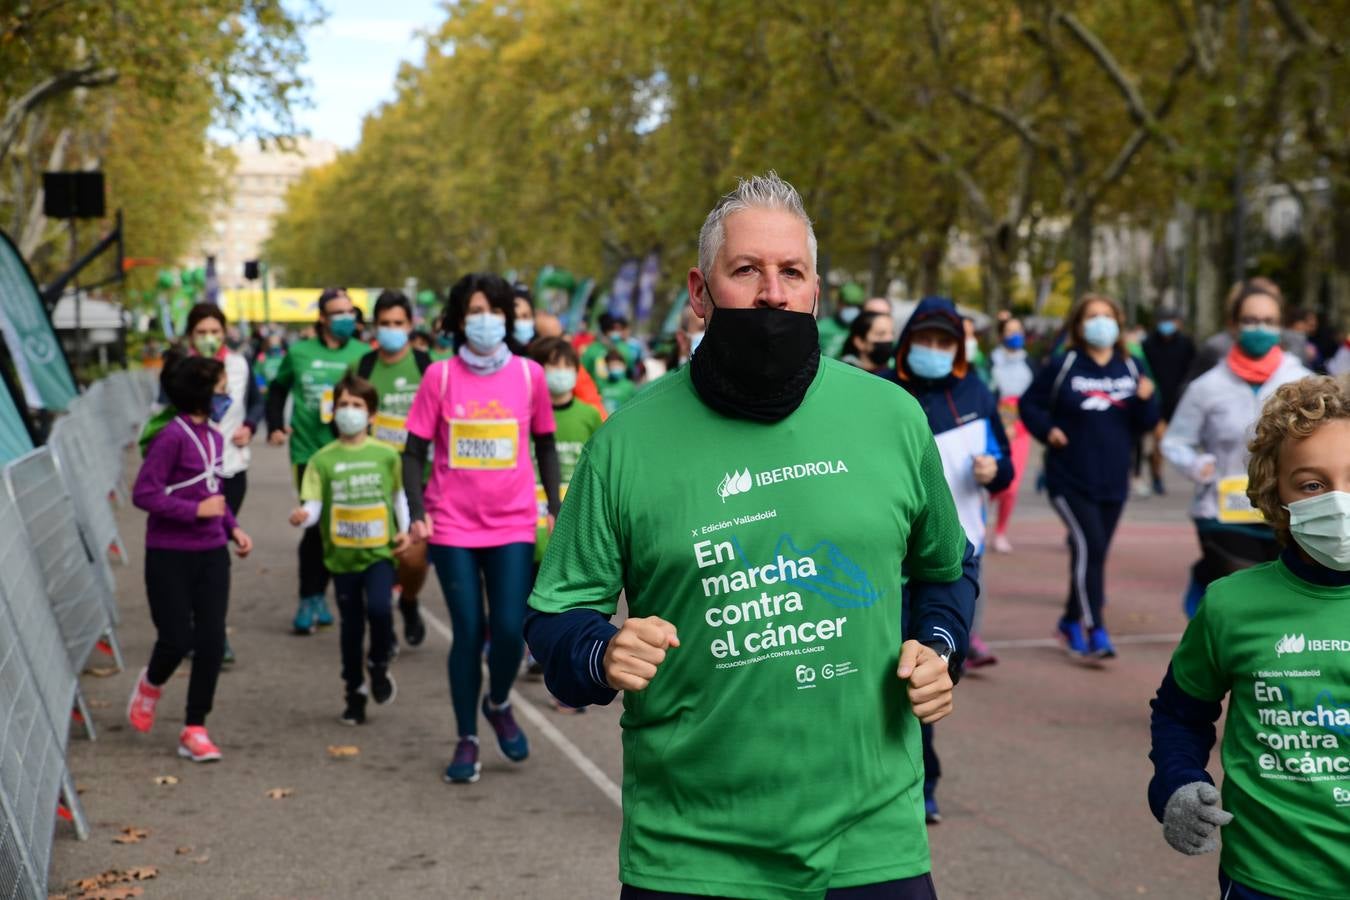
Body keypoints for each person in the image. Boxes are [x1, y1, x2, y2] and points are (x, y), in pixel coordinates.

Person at [525, 172, 977, 899]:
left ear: (816, 291)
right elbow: (555, 614)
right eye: (747, 271)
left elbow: (947, 568)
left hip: (873, 843)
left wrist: (940, 644)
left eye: (791, 272)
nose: (773, 293)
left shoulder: (891, 419)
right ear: (699, 292)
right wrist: (599, 650)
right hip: (690, 851)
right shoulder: (628, 440)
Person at [1147, 375, 1350, 900]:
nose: (1339, 502)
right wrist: (1176, 782)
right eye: (1311, 484)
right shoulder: (1230, 605)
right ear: (1273, 491)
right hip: (1264, 879)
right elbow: (1179, 712)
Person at [401, 272, 561, 784]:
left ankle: (497, 701)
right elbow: (413, 451)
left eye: (495, 311)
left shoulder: (530, 375)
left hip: (513, 522)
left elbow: (546, 445)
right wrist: (415, 510)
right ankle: (466, 738)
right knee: (468, 630)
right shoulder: (440, 378)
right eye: (475, 312)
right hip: (451, 525)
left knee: (512, 628)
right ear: (457, 319)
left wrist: (554, 504)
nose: (486, 321)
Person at [887, 296, 1013, 823]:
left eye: (945, 343)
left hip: (956, 552)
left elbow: (1004, 470)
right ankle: (895, 776)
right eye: (925, 341)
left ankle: (922, 782)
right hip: (891, 555)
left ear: (959, 350)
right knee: (890, 665)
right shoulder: (884, 394)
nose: (933, 352)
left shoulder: (976, 393)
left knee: (931, 661)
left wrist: (994, 470)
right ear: (906, 343)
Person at [127, 355, 253, 762]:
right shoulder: (171, 437)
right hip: (169, 553)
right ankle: (150, 684)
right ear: (201, 394)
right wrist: (192, 513)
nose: (227, 395)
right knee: (176, 639)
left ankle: (194, 727)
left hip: (212, 552)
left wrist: (233, 527)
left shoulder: (215, 438)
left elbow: (212, 492)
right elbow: (144, 494)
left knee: (212, 642)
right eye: (221, 389)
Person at [1020, 293, 1160, 659]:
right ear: (1079, 326)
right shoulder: (1065, 364)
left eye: (1107, 316)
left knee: (1093, 554)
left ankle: (1068, 620)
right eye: (1092, 316)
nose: (1100, 323)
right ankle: (1093, 625)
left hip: (1114, 479)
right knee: (1090, 547)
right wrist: (1048, 429)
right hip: (1069, 478)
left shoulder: (1130, 368)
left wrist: (1148, 398)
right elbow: (1029, 403)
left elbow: (1145, 423)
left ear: (1118, 323)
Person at [1161, 284, 1311, 617]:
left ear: (1281, 326)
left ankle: (1204, 580)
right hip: (1223, 510)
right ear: (1233, 326)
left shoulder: (1303, 383)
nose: (1260, 329)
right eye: (1251, 320)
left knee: (1281, 606)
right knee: (1243, 603)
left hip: (1285, 514)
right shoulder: (1207, 387)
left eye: (1269, 321)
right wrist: (1196, 464)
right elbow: (1175, 441)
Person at [289, 374, 410, 725]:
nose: (349, 411)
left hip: (378, 554)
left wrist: (403, 532)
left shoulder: (386, 455)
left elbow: (397, 496)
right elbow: (313, 504)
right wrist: (303, 516)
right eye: (343, 405)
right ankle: (353, 690)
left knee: (380, 608)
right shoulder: (322, 460)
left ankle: (378, 663)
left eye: (357, 406)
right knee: (351, 626)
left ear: (372, 414)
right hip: (341, 559)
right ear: (332, 411)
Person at [266, 288, 372, 635]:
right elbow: (278, 388)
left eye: (350, 312)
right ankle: (308, 597)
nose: (346, 319)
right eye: (338, 313)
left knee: (337, 525)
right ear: (323, 318)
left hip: (350, 452)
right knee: (314, 524)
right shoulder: (298, 353)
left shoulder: (362, 354)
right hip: (308, 452)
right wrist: (274, 426)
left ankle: (325, 595)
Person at [353, 290, 433, 648]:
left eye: (398, 323)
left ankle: (410, 600)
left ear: (410, 325)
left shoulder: (426, 365)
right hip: (376, 478)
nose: (391, 330)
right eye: (384, 323)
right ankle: (381, 629)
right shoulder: (363, 367)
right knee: (378, 558)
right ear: (374, 326)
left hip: (420, 478)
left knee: (415, 559)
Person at [987, 315, 1036, 553]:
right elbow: (987, 394)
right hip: (996, 425)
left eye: (1019, 330)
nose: (1015, 336)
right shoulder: (991, 362)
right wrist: (1001, 421)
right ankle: (976, 525)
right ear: (1001, 336)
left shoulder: (1030, 363)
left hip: (1021, 429)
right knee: (989, 481)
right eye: (1010, 331)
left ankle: (1000, 531)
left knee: (1012, 485)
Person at [1141, 308, 1196, 497]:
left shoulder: (1186, 344)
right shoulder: (1148, 344)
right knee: (1160, 440)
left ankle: (1156, 465)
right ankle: (1157, 476)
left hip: (1179, 400)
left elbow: (1193, 369)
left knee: (1171, 442)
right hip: (1156, 400)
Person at [815, 281, 864, 359]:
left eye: (855, 305)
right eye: (847, 304)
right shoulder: (821, 328)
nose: (851, 309)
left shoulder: (863, 330)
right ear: (839, 303)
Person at [598, 348, 636, 413]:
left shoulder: (629, 386)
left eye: (618, 365)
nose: (615, 368)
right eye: (612, 365)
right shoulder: (600, 385)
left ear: (624, 366)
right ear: (607, 367)